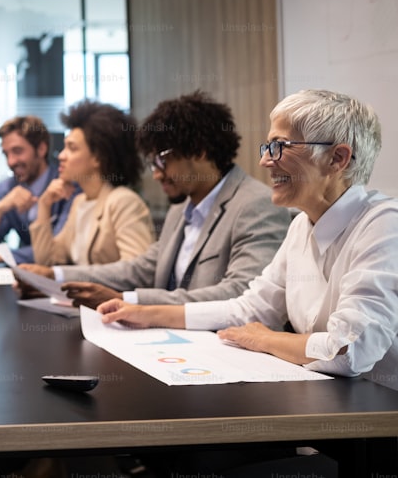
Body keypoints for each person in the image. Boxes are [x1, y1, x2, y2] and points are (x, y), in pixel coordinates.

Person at [100, 89, 398, 389]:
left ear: (337, 158)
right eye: (267, 147)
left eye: (280, 146)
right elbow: (249, 309)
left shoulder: (385, 225)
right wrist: (146, 314)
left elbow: (350, 351)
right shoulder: (301, 227)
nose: (266, 161)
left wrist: (266, 338)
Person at [18, 91, 291, 308]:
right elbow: (139, 269)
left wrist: (130, 301)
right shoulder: (182, 210)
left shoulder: (255, 204)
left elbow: (240, 294)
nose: (158, 175)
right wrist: (56, 277)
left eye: (163, 160)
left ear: (199, 152)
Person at [30, 100, 155, 266]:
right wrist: (44, 204)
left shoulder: (123, 202)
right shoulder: (80, 202)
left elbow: (137, 270)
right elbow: (48, 262)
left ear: (98, 157)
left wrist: (68, 276)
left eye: (72, 148)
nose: (61, 156)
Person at [0, 115, 76, 266]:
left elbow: (57, 250)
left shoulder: (67, 186)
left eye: (17, 151)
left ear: (41, 149)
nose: (10, 162)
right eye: (6, 154)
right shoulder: (8, 188)